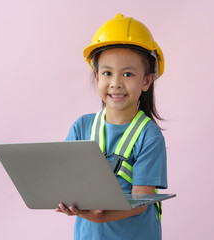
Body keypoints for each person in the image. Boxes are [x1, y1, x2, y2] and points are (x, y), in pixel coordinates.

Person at [56, 14, 168, 240]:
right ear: (96, 77)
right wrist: (66, 200)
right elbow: (69, 181)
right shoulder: (82, 127)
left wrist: (99, 216)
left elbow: (141, 202)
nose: (116, 82)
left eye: (128, 74)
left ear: (146, 81)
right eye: (107, 73)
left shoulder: (149, 135)